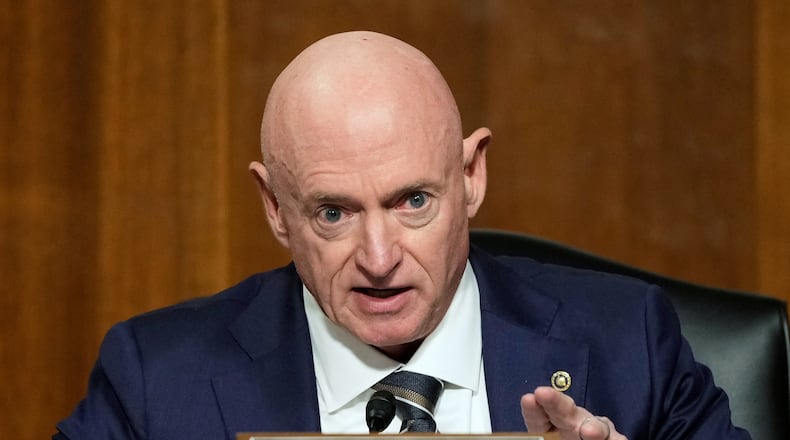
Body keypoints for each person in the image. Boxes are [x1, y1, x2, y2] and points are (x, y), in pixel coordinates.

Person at [55, 31, 749, 440]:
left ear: (472, 176)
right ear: (274, 208)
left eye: (413, 201)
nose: (379, 259)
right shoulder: (155, 382)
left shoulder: (630, 345)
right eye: (333, 213)